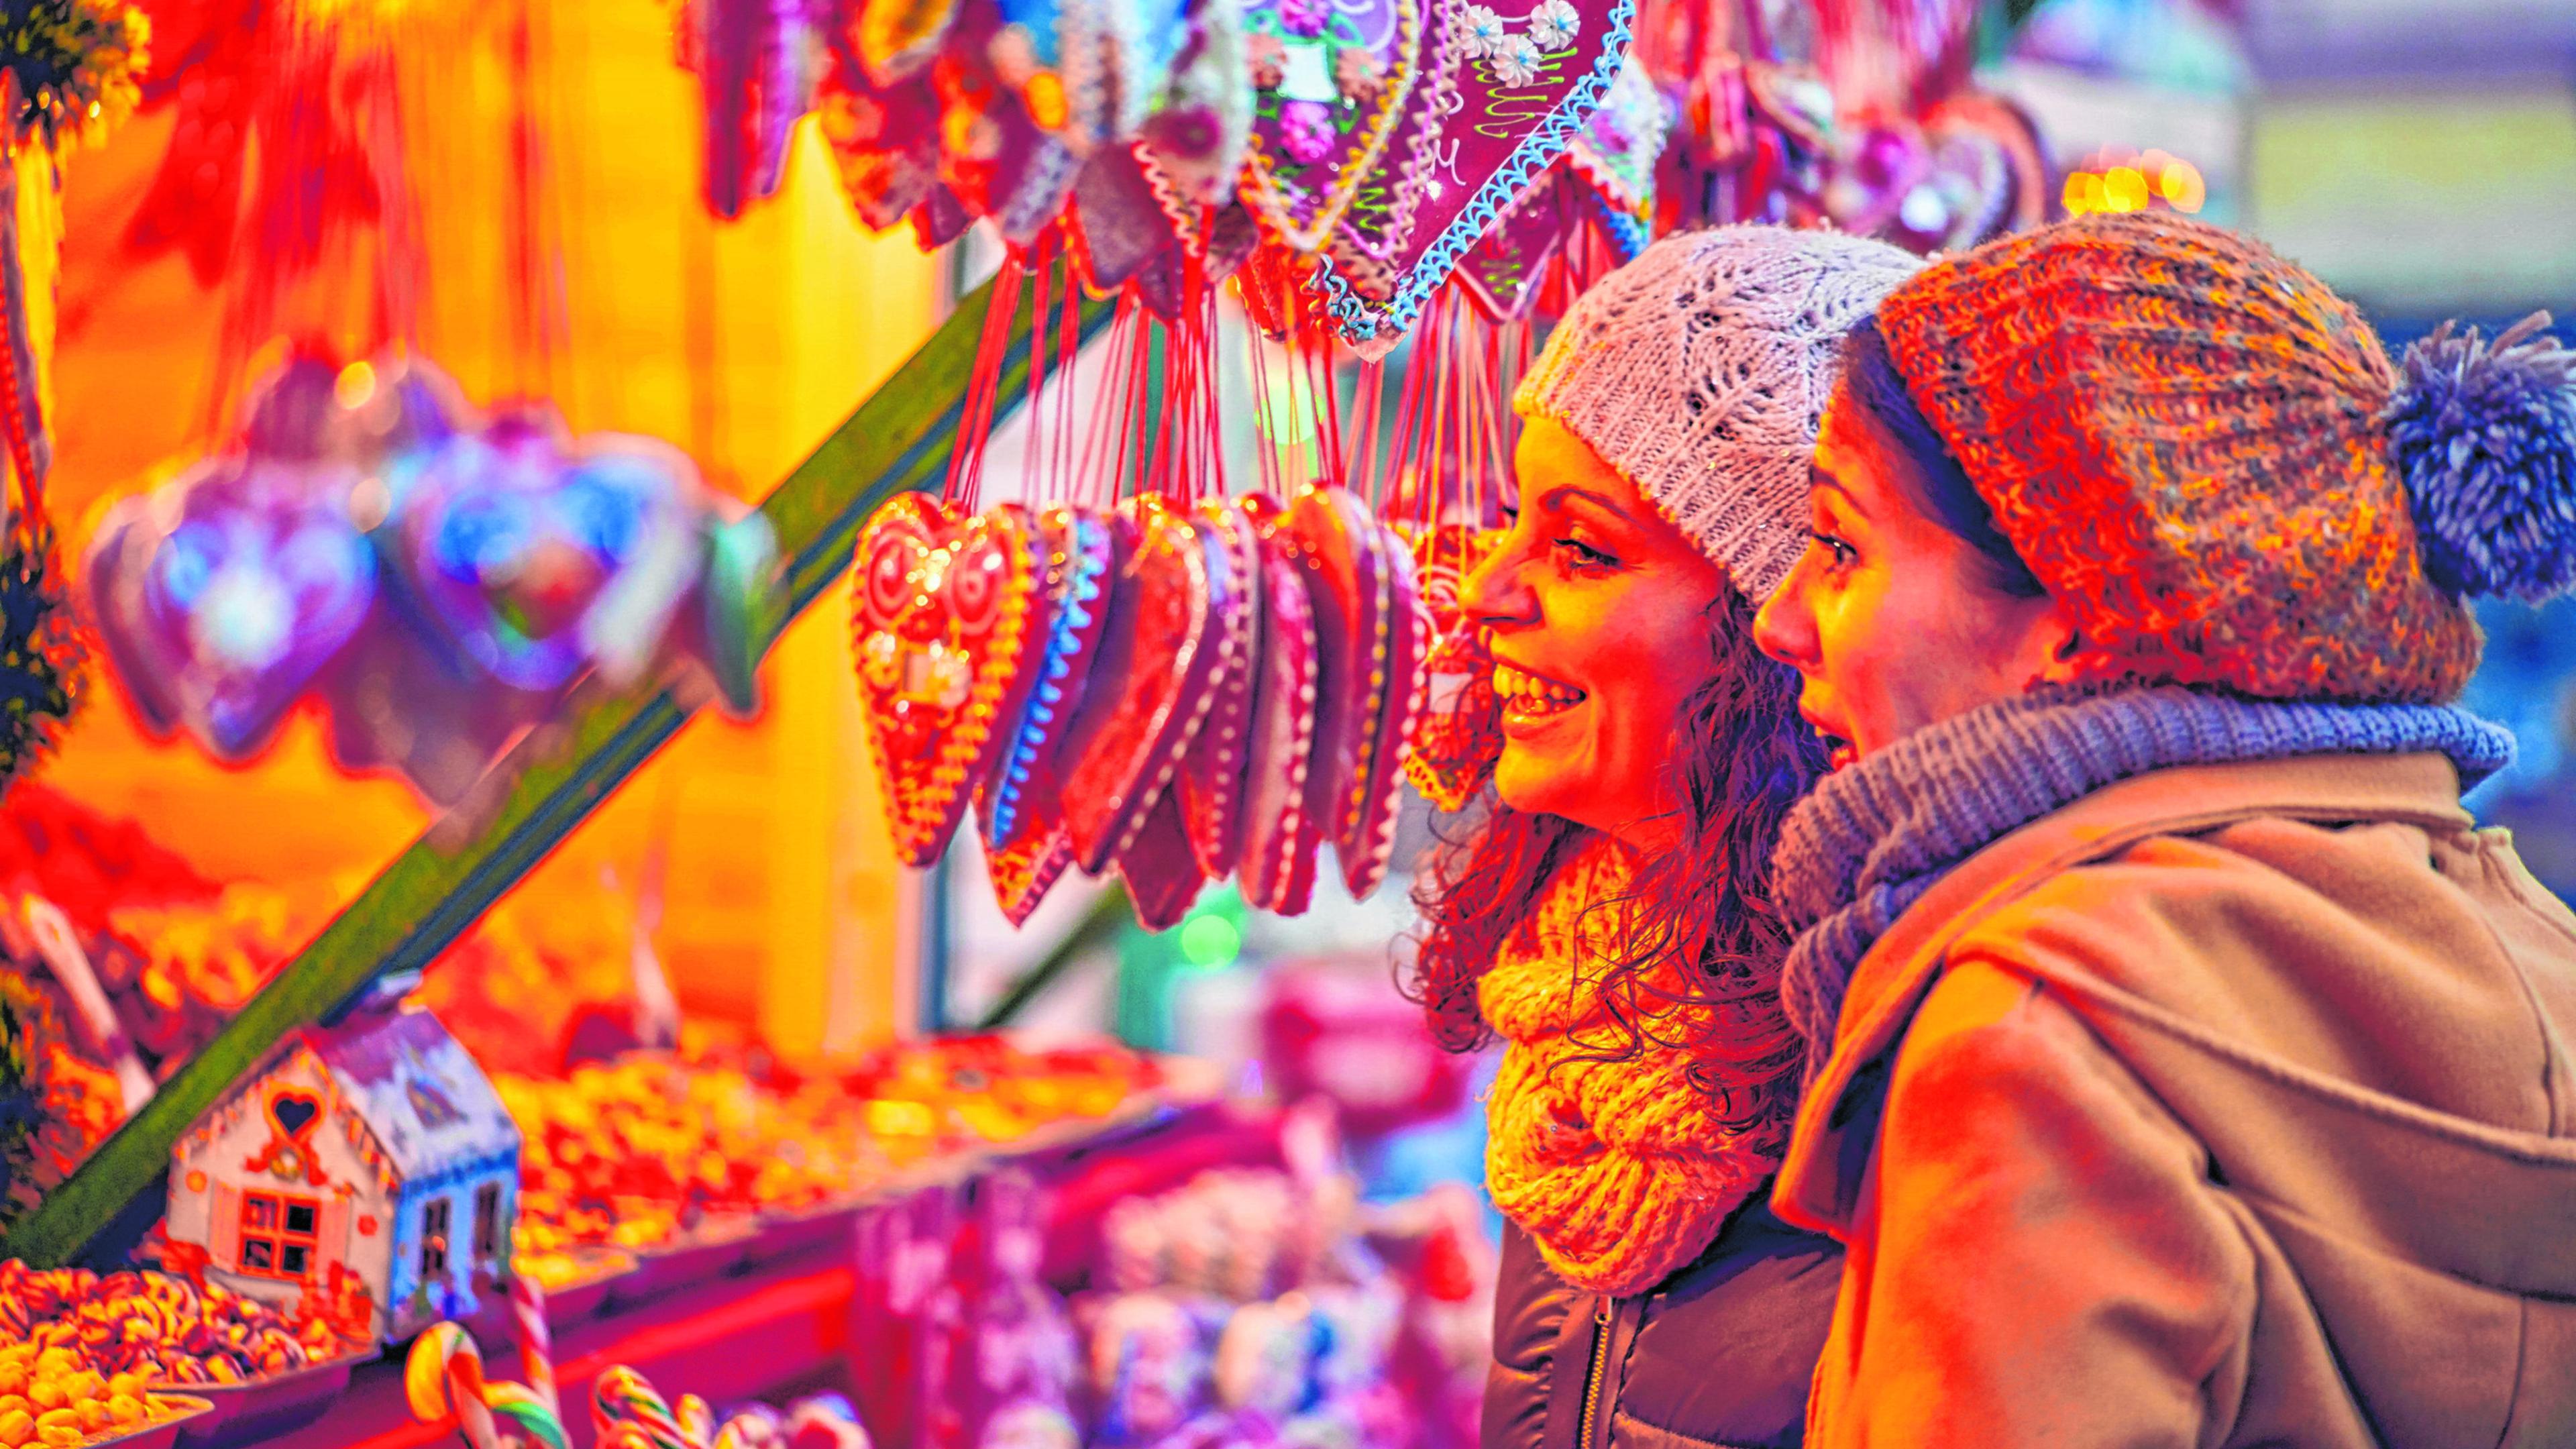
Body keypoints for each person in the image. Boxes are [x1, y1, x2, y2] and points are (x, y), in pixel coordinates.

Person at [1750, 211, 2576, 1445]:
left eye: (1838, 545)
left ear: (2081, 625)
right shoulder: (2529, 944)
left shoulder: (2032, 1047)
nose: (1781, 620)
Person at [1410, 225, 1920, 1449]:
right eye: (1512, 519)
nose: (1490, 589)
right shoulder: (1578, 1005)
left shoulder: (1906, 1055)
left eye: (1581, 548)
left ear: (1778, 626)